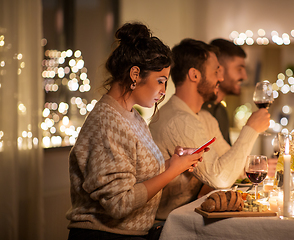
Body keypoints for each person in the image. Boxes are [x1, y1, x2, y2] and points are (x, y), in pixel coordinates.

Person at [65, 23, 205, 240]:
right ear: (135, 74)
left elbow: (136, 177)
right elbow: (119, 203)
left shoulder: (133, 117)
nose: (163, 91)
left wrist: (173, 162)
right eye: (160, 81)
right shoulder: (106, 122)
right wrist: (172, 171)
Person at [149, 38, 270, 220]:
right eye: (215, 72)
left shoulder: (204, 117)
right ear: (194, 75)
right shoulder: (179, 120)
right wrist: (251, 129)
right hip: (166, 226)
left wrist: (256, 164)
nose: (220, 79)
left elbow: (234, 167)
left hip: (191, 216)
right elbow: (220, 178)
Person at [202, 38, 247, 145]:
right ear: (219, 70)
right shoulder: (201, 112)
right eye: (239, 69)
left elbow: (227, 155)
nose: (244, 77)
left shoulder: (221, 111)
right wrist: (251, 129)